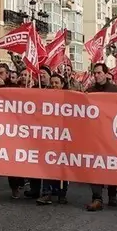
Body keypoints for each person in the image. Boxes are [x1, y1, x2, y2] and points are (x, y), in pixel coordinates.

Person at [85, 62, 117, 211]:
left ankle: (112, 194)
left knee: (111, 164)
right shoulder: (90, 91)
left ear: (106, 74)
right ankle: (97, 198)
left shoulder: (116, 91)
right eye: (95, 73)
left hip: (112, 134)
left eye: (99, 72)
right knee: (95, 164)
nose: (96, 75)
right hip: (95, 135)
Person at [38, 73, 69, 205]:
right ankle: (46, 193)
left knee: (62, 165)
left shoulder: (69, 98)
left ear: (62, 84)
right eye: (52, 83)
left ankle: (62, 193)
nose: (54, 85)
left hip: (64, 136)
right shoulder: (46, 97)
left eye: (57, 83)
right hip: (49, 136)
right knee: (47, 163)